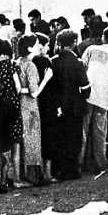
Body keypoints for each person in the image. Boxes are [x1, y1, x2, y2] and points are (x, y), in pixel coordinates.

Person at [80, 27, 108, 178]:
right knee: (100, 132)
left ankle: (79, 164)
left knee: (83, 130)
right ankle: (100, 163)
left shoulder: (91, 49)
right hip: (104, 98)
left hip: (87, 95)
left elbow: (82, 68)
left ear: (104, 37)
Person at [0, 39, 28, 189]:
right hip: (12, 107)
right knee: (15, 143)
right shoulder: (12, 65)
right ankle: (16, 178)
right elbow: (17, 87)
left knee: (1, 145)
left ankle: (0, 179)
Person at [51, 29, 91, 180]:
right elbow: (85, 88)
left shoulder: (53, 61)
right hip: (75, 106)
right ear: (74, 43)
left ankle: (58, 170)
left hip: (58, 106)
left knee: (59, 137)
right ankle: (72, 170)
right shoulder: (78, 63)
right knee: (74, 139)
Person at [17, 34, 54, 185]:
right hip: (31, 106)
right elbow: (34, 92)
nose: (40, 46)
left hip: (20, 104)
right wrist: (46, 79)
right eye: (37, 44)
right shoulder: (31, 66)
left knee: (23, 140)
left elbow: (20, 89)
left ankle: (23, 174)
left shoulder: (18, 62)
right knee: (33, 141)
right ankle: (33, 176)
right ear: (30, 48)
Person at [32, 33, 59, 181]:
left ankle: (37, 172)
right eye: (47, 45)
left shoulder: (30, 61)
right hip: (47, 104)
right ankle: (47, 172)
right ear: (41, 46)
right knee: (49, 138)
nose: (48, 48)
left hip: (34, 104)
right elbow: (53, 86)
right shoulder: (45, 61)